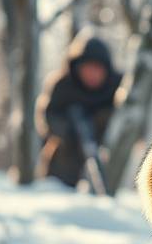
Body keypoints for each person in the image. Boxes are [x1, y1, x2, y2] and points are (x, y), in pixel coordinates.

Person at [36, 35, 123, 189]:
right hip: (67, 149)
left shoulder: (118, 87)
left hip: (105, 148)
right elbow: (48, 116)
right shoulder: (62, 85)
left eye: (98, 68)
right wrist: (67, 130)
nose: (93, 74)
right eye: (88, 68)